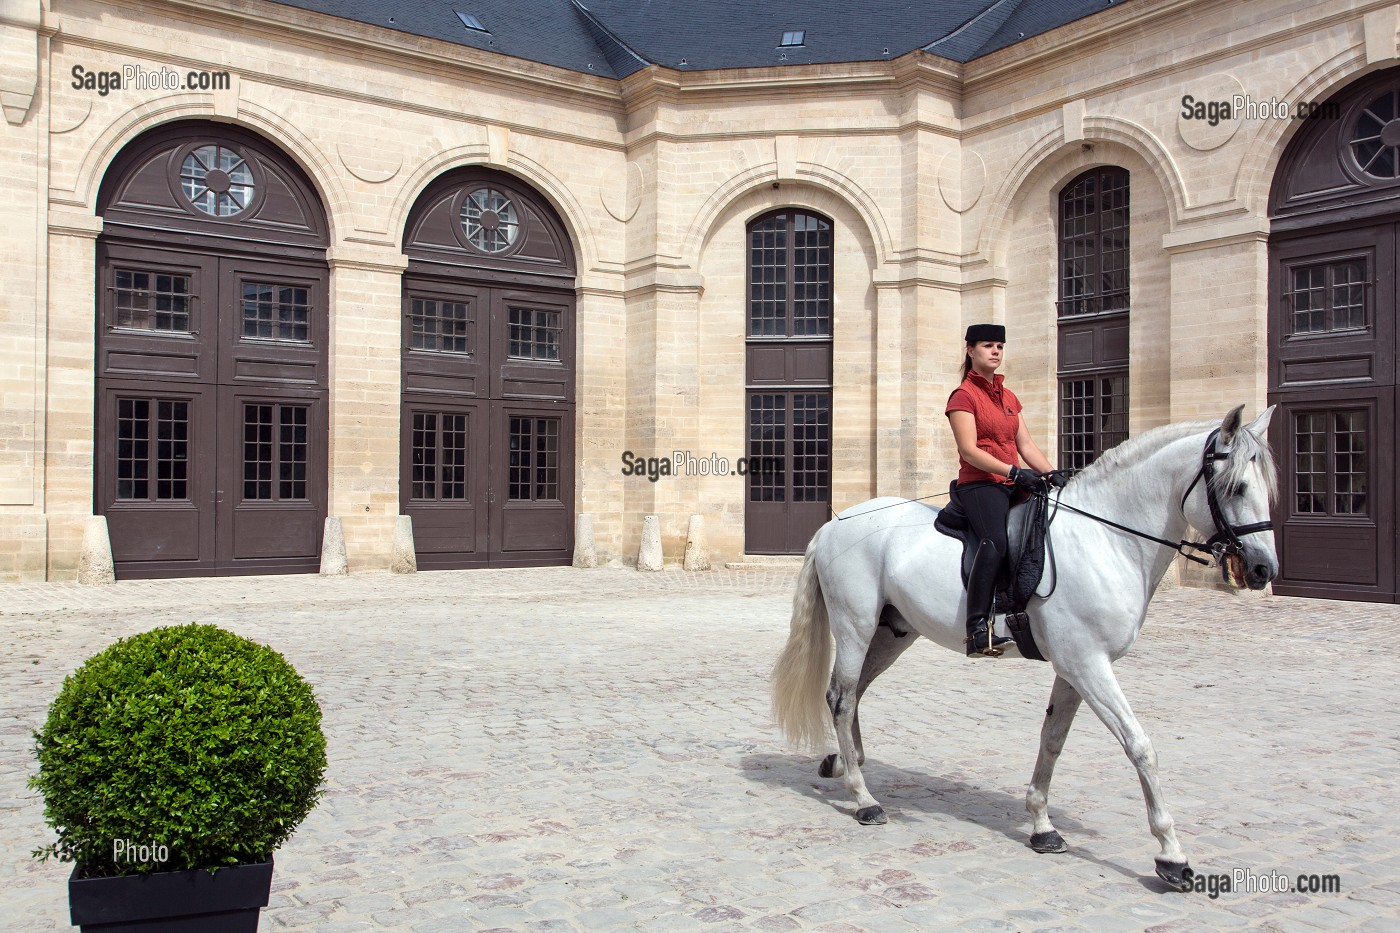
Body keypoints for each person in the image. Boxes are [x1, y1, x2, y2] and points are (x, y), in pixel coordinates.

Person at [945, 324, 1064, 657]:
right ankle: (978, 630)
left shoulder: (1009, 397)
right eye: (987, 345)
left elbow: (1025, 444)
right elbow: (969, 450)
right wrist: (1013, 471)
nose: (995, 351)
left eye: (999, 345)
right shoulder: (963, 396)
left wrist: (1052, 474)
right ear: (970, 350)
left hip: (1012, 482)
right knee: (995, 541)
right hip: (980, 484)